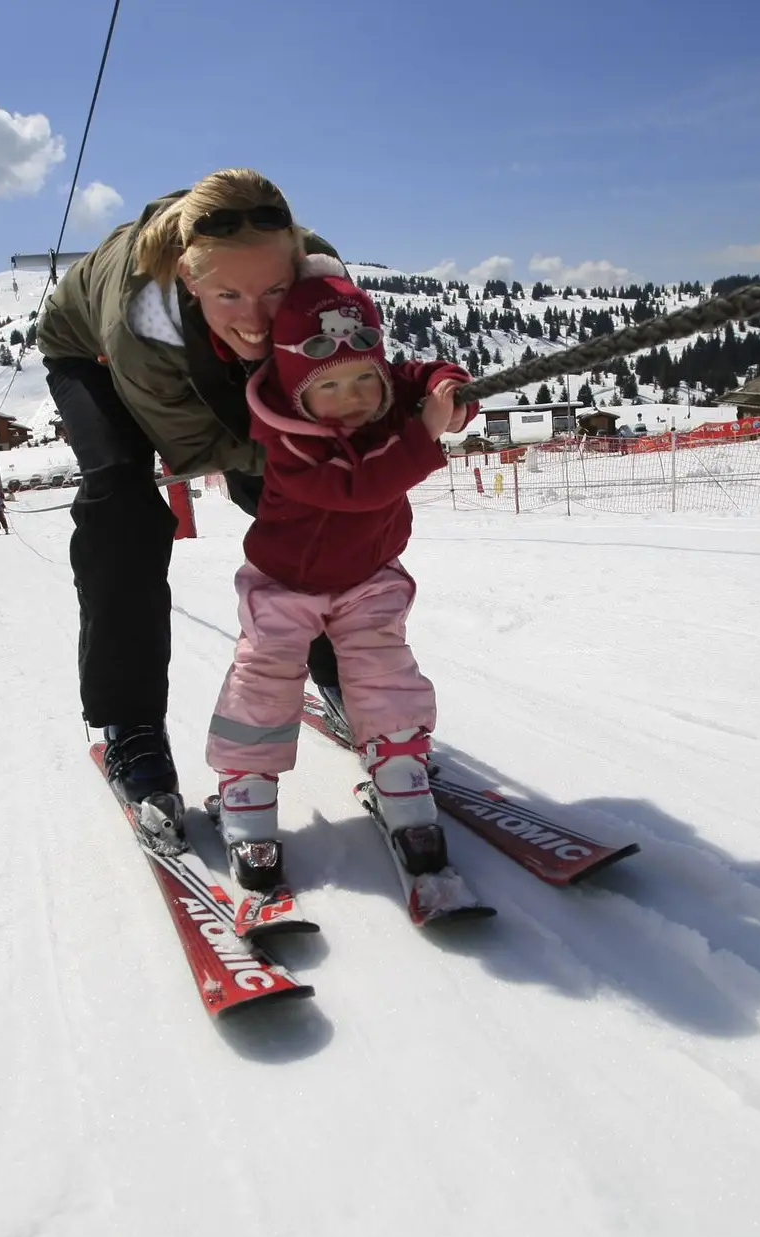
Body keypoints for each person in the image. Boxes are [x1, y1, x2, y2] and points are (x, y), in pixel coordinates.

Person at [35, 169, 469, 818]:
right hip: (94, 357)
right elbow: (212, 451)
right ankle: (130, 727)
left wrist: (432, 395)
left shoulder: (321, 278)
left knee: (297, 505)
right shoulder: (143, 319)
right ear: (189, 278)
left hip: (205, 351)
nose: (261, 317)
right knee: (122, 510)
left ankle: (340, 673)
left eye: (275, 290)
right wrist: (354, 468)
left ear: (297, 266)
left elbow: (354, 374)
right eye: (231, 294)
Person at [204, 274, 472, 850]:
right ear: (297, 386)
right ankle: (246, 784)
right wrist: (423, 437)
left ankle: (400, 768)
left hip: (369, 576)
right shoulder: (287, 436)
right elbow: (359, 488)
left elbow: (421, 375)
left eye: (363, 380)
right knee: (265, 674)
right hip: (283, 582)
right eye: (331, 387)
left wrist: (451, 393)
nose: (353, 399)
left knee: (384, 667)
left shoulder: (382, 388)